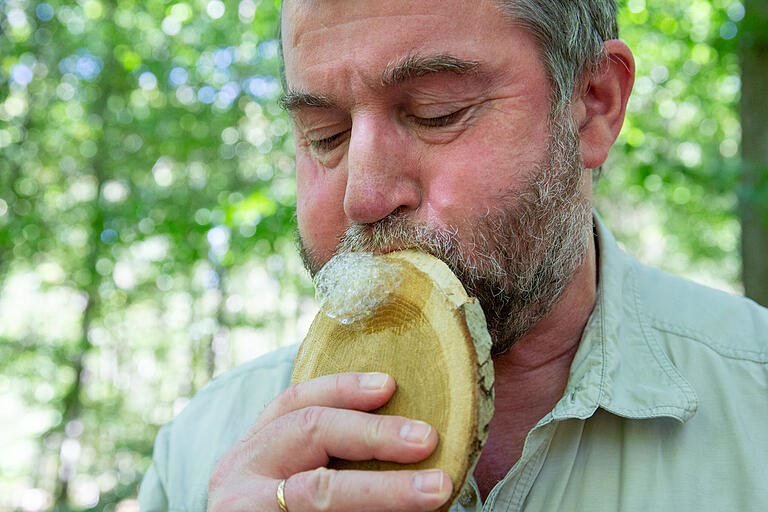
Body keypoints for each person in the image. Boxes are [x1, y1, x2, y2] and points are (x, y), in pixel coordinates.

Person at [138, 1, 768, 510]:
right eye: (325, 136)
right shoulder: (201, 453)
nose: (364, 197)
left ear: (593, 105)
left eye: (439, 113)